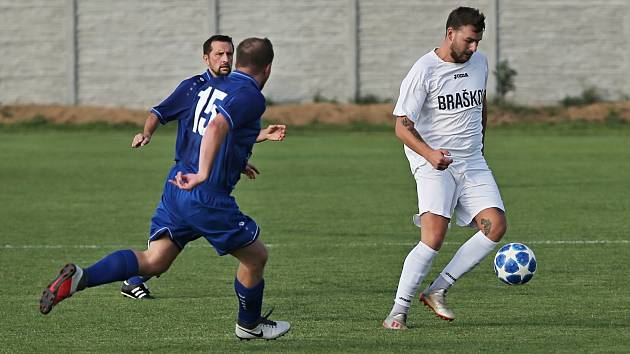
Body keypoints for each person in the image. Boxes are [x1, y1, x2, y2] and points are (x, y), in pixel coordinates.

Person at [40, 37, 291, 340]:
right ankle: (249, 326)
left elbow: (204, 131)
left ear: (237, 61)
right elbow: (215, 128)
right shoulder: (249, 94)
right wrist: (203, 173)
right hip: (204, 194)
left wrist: (236, 159)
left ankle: (82, 277)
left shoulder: (209, 86)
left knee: (155, 260)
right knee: (256, 257)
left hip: (177, 187)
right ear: (268, 68)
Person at [121, 34, 286, 300]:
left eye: (230, 54)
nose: (226, 59)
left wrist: (250, 148)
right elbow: (161, 113)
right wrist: (147, 133)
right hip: (194, 178)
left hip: (203, 179)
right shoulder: (194, 87)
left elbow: (224, 133)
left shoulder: (230, 87)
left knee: (178, 238)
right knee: (197, 230)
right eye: (219, 54)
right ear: (205, 57)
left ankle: (132, 277)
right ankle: (249, 324)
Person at [382, 7, 507, 330]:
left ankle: (437, 289)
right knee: (433, 238)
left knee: (495, 226)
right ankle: (397, 311)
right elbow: (401, 126)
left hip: (472, 161)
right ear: (451, 34)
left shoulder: (480, 62)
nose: (474, 48)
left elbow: (480, 104)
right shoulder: (424, 70)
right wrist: (430, 154)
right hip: (434, 164)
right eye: (468, 40)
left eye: (478, 41)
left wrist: (480, 143)